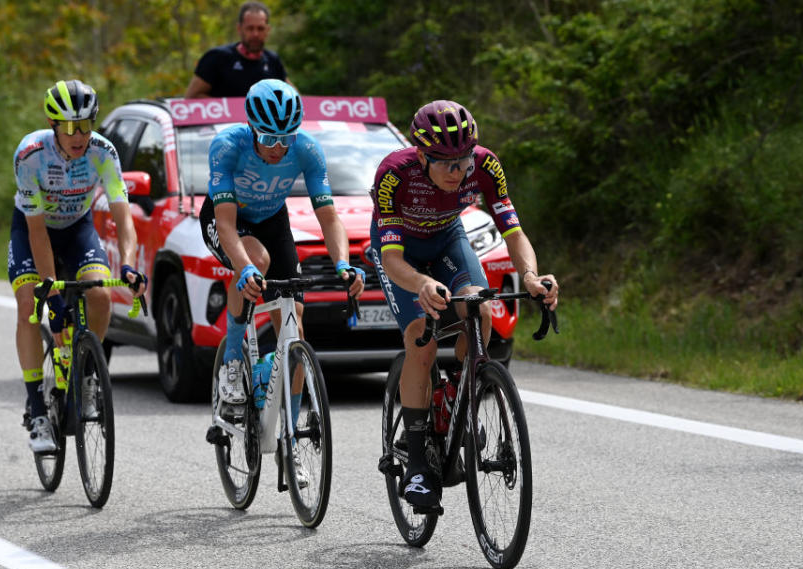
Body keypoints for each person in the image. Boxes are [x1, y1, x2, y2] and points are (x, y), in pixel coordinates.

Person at [369, 100, 559, 511]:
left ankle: (457, 393)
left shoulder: (486, 166)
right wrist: (420, 283)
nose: (458, 171)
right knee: (420, 339)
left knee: (480, 308)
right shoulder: (393, 174)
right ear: (422, 156)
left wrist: (530, 276)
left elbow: (514, 231)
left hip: (447, 239)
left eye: (463, 160)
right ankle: (418, 462)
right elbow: (391, 260)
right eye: (446, 163)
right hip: (401, 253)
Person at [200, 79, 364, 433]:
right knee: (256, 261)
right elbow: (226, 226)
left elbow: (329, 218)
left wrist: (342, 263)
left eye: (286, 138)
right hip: (226, 217)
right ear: (251, 128)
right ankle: (231, 363)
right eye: (270, 138)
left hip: (272, 219)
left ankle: (288, 433)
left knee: (296, 328)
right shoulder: (227, 146)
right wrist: (243, 268)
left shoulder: (307, 150)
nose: (278, 148)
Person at [9, 79, 147, 453]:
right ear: (54, 125)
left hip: (77, 229)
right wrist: (49, 286)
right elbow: (37, 232)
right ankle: (37, 409)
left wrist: (130, 265)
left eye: (85, 125)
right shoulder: (31, 154)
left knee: (100, 294)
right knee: (29, 307)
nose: (79, 135)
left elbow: (124, 216)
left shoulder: (103, 152)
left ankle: (88, 374)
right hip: (32, 232)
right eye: (69, 127)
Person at [185, 2, 288, 98]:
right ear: (239, 29)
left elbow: (294, 97)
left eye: (260, 28)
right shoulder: (217, 57)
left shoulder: (273, 61)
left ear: (267, 30)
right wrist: (230, 109)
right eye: (250, 28)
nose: (255, 34)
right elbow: (191, 97)